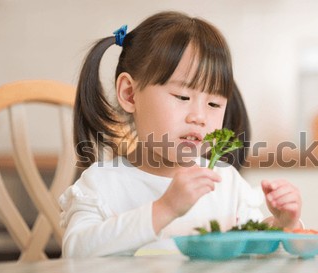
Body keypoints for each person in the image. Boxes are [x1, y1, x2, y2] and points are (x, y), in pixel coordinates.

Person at [60, 11, 302, 258]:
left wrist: (283, 225)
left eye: (214, 105)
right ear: (130, 94)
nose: (199, 116)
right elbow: (75, 253)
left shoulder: (226, 184)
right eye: (183, 97)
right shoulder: (102, 184)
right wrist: (165, 208)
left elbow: (255, 248)